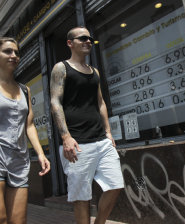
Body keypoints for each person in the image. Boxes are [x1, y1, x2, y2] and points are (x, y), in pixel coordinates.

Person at [50, 27, 124, 224]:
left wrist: (108, 132)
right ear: (70, 43)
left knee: (115, 184)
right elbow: (55, 102)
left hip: (101, 140)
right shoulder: (61, 68)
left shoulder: (95, 72)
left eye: (90, 38)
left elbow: (100, 102)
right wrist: (66, 137)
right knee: (82, 197)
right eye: (83, 38)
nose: (88, 41)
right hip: (77, 143)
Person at [0, 37, 50, 224]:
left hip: (19, 160)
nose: (14, 55)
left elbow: (29, 125)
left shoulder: (25, 90)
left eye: (16, 52)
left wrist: (41, 154)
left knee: (18, 221)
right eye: (7, 51)